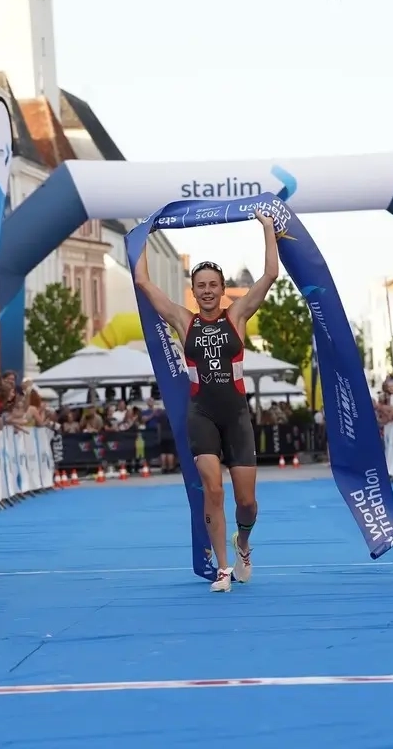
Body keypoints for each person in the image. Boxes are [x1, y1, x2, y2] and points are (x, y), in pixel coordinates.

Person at [134, 206, 280, 592]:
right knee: (213, 491)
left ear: (222, 287)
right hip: (201, 415)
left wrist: (266, 227)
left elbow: (269, 275)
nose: (208, 290)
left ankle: (243, 544)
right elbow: (144, 283)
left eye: (214, 284)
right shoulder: (184, 321)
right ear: (194, 290)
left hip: (235, 416)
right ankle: (222, 568)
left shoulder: (238, 316)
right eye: (201, 285)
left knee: (246, 503)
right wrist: (142, 236)